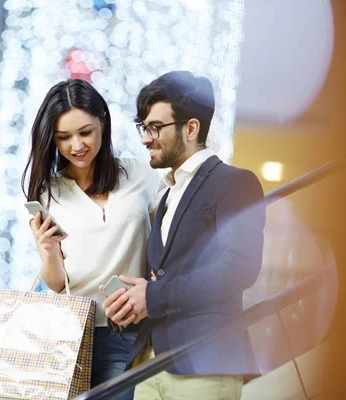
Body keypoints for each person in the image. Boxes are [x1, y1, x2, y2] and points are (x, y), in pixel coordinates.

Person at [102, 71, 266, 400]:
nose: (146, 138)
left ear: (191, 128)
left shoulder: (234, 182)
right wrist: (134, 305)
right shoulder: (165, 195)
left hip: (206, 362)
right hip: (150, 364)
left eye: (155, 128)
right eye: (143, 128)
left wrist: (154, 297)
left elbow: (240, 267)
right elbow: (166, 274)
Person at [22, 78, 160, 399]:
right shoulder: (47, 191)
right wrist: (48, 250)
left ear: (104, 122)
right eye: (63, 138)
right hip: (66, 333)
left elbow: (165, 247)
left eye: (85, 132)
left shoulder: (140, 174)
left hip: (125, 326)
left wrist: (155, 293)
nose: (76, 146)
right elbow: (56, 282)